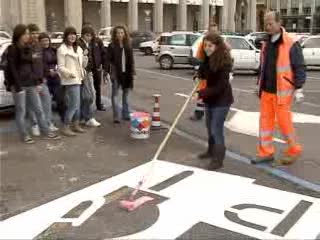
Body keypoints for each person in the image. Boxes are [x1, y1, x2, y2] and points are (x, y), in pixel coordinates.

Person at [252, 11, 306, 165]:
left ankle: (294, 148)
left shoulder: (291, 42)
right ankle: (265, 152)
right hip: (267, 91)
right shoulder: (266, 42)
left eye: (270, 23)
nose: (267, 27)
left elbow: (299, 67)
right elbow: (263, 67)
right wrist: (259, 85)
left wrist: (299, 88)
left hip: (282, 92)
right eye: (265, 24)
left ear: (279, 22)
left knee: (283, 122)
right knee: (265, 123)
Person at [6, 24, 60, 143]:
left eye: (27, 33)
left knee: (39, 109)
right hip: (19, 85)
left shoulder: (28, 47)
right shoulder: (12, 48)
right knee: (21, 111)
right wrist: (17, 86)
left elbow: (33, 67)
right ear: (19, 35)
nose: (28, 36)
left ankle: (46, 132)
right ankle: (24, 135)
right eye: (25, 34)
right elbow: (12, 69)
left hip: (31, 83)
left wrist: (37, 81)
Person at [197, 33, 234, 170]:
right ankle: (211, 151)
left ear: (217, 46)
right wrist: (199, 73)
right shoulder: (208, 58)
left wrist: (202, 93)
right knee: (209, 127)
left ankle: (218, 160)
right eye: (205, 45)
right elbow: (204, 73)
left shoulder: (224, 62)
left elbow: (220, 86)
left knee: (216, 129)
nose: (207, 48)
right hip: (210, 100)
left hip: (222, 101)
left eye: (210, 46)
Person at [26, 24, 58, 134]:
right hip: (29, 82)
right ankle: (34, 125)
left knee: (47, 101)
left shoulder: (39, 47)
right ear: (27, 34)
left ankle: (47, 123)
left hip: (41, 80)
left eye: (36, 33)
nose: (34, 35)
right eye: (32, 33)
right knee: (32, 105)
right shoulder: (25, 47)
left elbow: (40, 65)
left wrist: (43, 77)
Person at [57, 27, 87, 136]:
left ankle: (76, 124)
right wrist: (70, 74)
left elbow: (81, 65)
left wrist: (84, 63)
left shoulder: (78, 48)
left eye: (74, 34)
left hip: (79, 78)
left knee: (77, 104)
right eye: (70, 34)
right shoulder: (62, 49)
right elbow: (60, 67)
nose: (72, 36)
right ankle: (65, 126)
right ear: (66, 36)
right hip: (70, 80)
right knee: (74, 105)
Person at [191, 22, 221, 122]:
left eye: (215, 31)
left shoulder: (220, 42)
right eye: (212, 31)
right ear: (208, 32)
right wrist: (197, 72)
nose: (214, 33)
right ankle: (198, 113)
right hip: (206, 73)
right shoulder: (204, 42)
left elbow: (226, 56)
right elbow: (200, 58)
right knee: (202, 93)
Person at [107, 26, 135, 124]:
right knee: (115, 94)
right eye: (118, 33)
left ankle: (125, 114)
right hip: (116, 74)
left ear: (125, 34)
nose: (120, 35)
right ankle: (116, 116)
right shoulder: (111, 46)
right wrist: (109, 73)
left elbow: (131, 61)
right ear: (114, 34)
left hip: (126, 74)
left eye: (122, 33)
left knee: (126, 94)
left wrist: (132, 72)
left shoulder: (128, 46)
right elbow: (108, 61)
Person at [39, 32, 65, 123]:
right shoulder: (38, 53)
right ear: (40, 42)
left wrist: (57, 70)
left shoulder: (53, 50)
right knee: (46, 103)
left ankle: (64, 119)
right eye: (43, 41)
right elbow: (39, 65)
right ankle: (48, 122)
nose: (45, 43)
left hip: (55, 78)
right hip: (45, 79)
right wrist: (48, 72)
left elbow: (60, 62)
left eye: (46, 40)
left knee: (60, 99)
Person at [78, 26, 101, 127]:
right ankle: (88, 117)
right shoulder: (80, 44)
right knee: (89, 96)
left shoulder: (87, 44)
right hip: (84, 73)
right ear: (83, 35)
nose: (89, 38)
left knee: (87, 96)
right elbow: (82, 60)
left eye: (91, 36)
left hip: (88, 72)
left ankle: (84, 117)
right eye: (87, 35)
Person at [82, 22, 108, 111]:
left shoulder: (98, 41)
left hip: (97, 67)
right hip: (87, 69)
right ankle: (86, 107)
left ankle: (98, 104)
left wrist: (104, 66)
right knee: (87, 88)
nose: (90, 36)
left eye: (91, 33)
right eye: (87, 34)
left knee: (97, 87)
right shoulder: (82, 42)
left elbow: (103, 54)